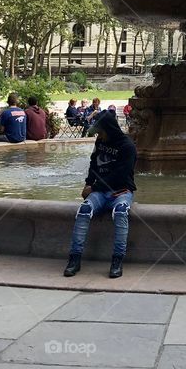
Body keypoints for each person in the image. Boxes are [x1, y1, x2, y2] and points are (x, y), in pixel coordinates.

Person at [64, 110, 137, 279]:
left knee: (120, 212)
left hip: (121, 191)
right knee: (83, 210)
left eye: (100, 131)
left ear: (109, 129)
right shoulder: (100, 141)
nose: (98, 135)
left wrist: (94, 188)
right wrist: (89, 183)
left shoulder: (127, 146)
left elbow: (121, 174)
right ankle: (74, 259)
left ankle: (117, 260)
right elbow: (93, 163)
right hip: (100, 192)